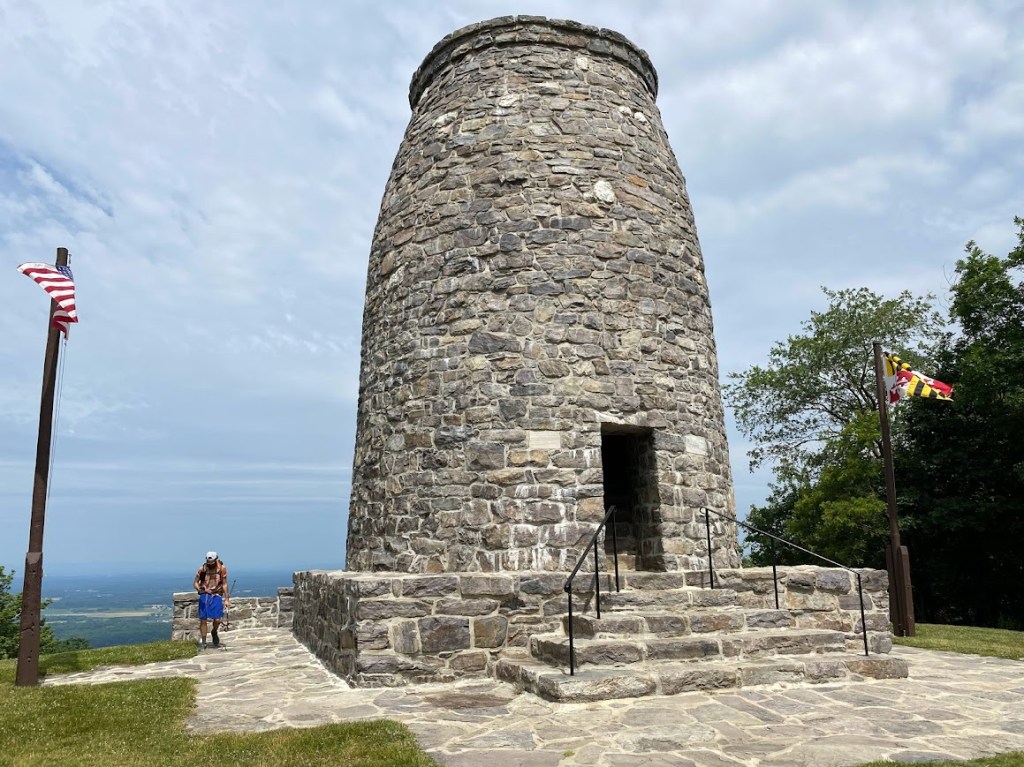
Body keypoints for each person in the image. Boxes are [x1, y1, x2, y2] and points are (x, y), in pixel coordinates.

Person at [193, 551, 230, 649]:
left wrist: (226, 599)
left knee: (217, 619)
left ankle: (214, 631)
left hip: (216, 594)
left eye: (212, 562)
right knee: (203, 619)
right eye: (209, 562)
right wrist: (199, 589)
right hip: (205, 594)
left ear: (216, 559)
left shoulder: (222, 569)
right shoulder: (202, 569)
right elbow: (195, 582)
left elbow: (225, 584)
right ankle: (204, 642)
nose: (210, 564)